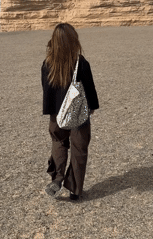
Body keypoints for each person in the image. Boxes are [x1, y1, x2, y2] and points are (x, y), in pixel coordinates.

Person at [41, 22, 99, 201]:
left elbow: (46, 90)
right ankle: (75, 189)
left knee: (59, 142)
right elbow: (89, 88)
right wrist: (92, 107)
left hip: (55, 113)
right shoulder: (80, 62)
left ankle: (57, 178)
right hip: (78, 113)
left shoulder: (47, 63)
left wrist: (53, 112)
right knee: (78, 148)